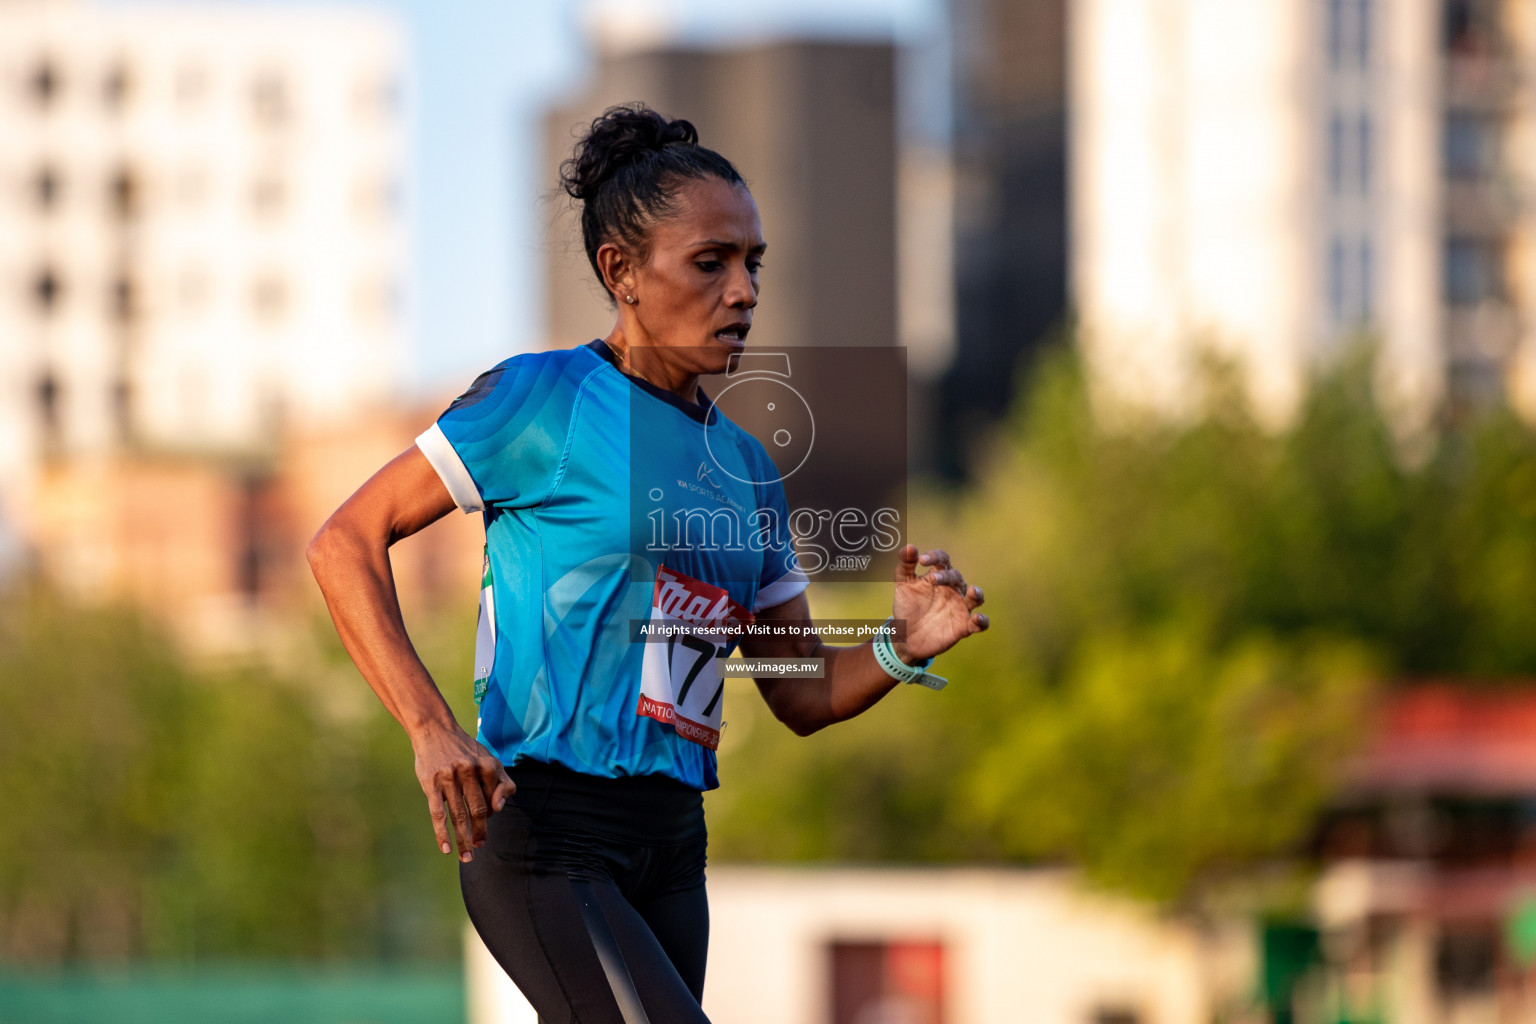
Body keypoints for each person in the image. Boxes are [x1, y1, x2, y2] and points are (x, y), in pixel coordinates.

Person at [307, 103, 988, 1024]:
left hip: (672, 847)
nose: (744, 291)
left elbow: (796, 689)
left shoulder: (748, 467)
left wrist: (902, 644)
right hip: (545, 829)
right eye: (712, 262)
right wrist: (429, 727)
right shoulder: (543, 398)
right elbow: (343, 541)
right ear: (620, 271)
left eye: (753, 264)